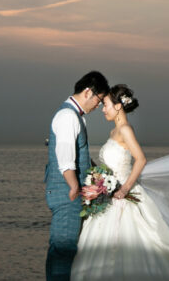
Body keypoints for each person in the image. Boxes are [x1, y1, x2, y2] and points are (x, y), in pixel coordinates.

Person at [72, 84, 169, 280]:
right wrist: (96, 176)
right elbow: (109, 166)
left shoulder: (125, 129)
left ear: (118, 106)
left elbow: (141, 159)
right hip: (108, 196)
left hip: (122, 197)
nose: (103, 109)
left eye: (106, 105)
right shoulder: (113, 132)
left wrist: (125, 188)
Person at [47, 70, 110, 280]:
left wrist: (97, 176)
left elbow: (79, 155)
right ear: (88, 92)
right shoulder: (67, 116)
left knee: (65, 250)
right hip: (68, 194)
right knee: (63, 249)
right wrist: (74, 188)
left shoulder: (75, 116)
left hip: (71, 193)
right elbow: (65, 159)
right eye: (99, 99)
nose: (99, 105)